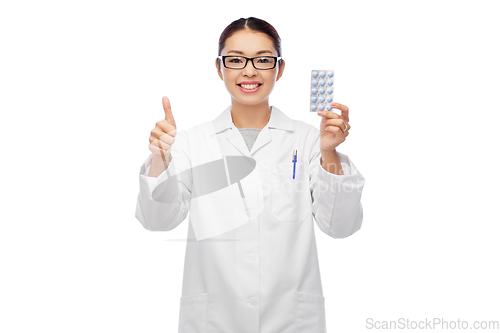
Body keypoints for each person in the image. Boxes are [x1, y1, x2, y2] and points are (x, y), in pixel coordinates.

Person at [135, 16, 365, 333]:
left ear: (279, 69)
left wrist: (329, 152)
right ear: (220, 68)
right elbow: (157, 221)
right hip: (214, 320)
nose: (249, 70)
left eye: (263, 59)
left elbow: (340, 226)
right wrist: (160, 159)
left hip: (290, 320)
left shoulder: (308, 140)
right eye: (236, 59)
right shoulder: (192, 142)